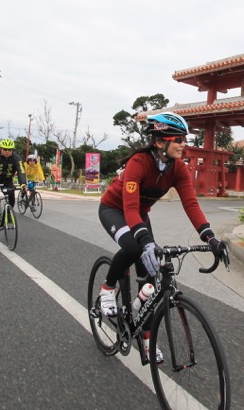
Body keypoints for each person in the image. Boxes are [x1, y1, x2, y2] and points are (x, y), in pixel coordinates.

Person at [97, 112, 228, 364]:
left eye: (184, 139)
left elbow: (191, 204)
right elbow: (131, 208)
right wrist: (146, 241)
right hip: (115, 210)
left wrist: (210, 237)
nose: (183, 144)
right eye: (178, 139)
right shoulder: (138, 162)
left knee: (150, 281)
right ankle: (107, 287)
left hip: (138, 216)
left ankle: (146, 340)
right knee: (134, 247)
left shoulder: (178, 168)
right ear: (159, 142)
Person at [0, 139, 26, 236]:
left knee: (11, 201)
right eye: (5, 149)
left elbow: (21, 171)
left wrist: (23, 184)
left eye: (10, 149)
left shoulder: (16, 158)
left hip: (7, 181)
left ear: (12, 150)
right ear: (1, 149)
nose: (7, 151)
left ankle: (5, 219)